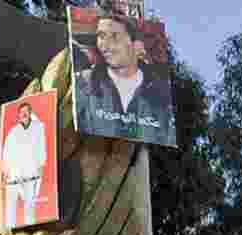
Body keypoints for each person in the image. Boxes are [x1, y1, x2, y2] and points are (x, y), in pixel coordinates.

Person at [73, 13, 175, 146]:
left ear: (136, 44)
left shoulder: (160, 94)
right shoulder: (83, 83)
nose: (105, 44)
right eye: (101, 36)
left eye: (114, 36)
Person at [1, 101, 47, 229]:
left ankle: (30, 225)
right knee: (11, 201)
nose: (23, 114)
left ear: (30, 113)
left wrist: (41, 165)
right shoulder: (13, 132)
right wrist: (5, 171)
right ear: (19, 115)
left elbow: (41, 147)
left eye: (26, 112)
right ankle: (10, 225)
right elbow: (6, 152)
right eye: (21, 112)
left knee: (29, 202)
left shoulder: (38, 127)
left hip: (30, 171)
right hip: (14, 173)